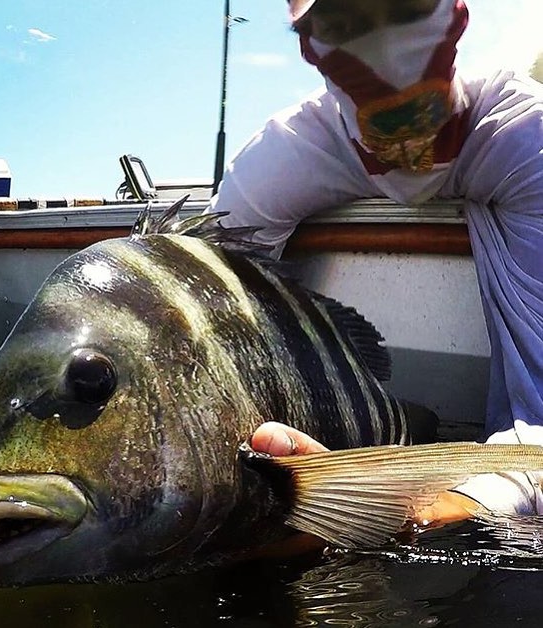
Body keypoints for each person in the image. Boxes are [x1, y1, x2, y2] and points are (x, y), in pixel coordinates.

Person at [210, 0, 543, 519]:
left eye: (405, 9)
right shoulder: (281, 158)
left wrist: (421, 512)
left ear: (457, 17)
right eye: (344, 25)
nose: (382, 47)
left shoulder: (526, 136)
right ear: (309, 47)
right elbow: (204, 325)